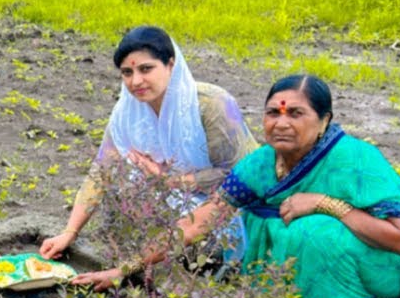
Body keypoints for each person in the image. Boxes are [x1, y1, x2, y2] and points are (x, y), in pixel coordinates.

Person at [72, 74, 400, 298]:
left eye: (296, 114)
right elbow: (199, 221)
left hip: (383, 268)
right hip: (317, 267)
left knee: (312, 231)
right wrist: (125, 269)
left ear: (325, 120)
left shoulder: (356, 160)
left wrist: (326, 204)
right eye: (272, 114)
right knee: (276, 226)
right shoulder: (261, 164)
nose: (281, 123)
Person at [39, 25, 257, 272]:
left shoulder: (211, 105)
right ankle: (142, 260)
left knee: (200, 242)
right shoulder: (127, 113)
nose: (136, 81)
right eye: (127, 72)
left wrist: (169, 181)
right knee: (123, 185)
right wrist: (70, 232)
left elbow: (240, 176)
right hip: (176, 200)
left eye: (146, 69)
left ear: (170, 64)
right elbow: (101, 171)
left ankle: (196, 264)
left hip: (229, 205)